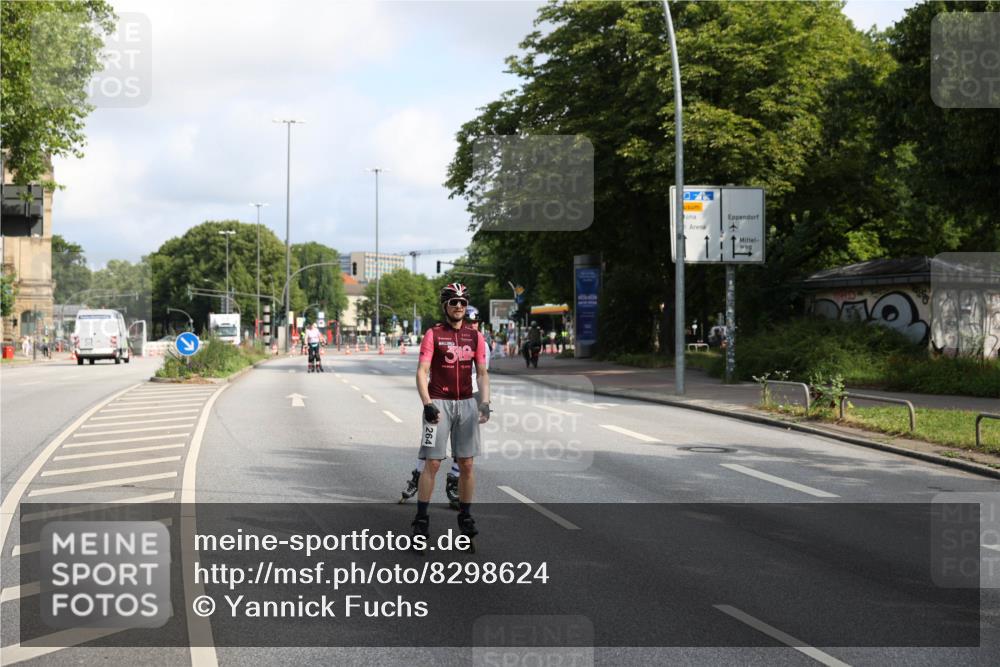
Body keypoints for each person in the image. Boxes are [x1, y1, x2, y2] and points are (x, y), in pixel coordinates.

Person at [409, 283, 490, 548]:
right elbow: (422, 371)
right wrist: (427, 403)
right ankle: (421, 520)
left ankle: (465, 518)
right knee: (432, 463)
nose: (458, 306)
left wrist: (485, 402)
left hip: (466, 404)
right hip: (439, 405)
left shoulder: (474, 337)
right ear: (445, 306)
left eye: (463, 303)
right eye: (453, 302)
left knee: (466, 463)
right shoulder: (433, 334)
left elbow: (482, 373)